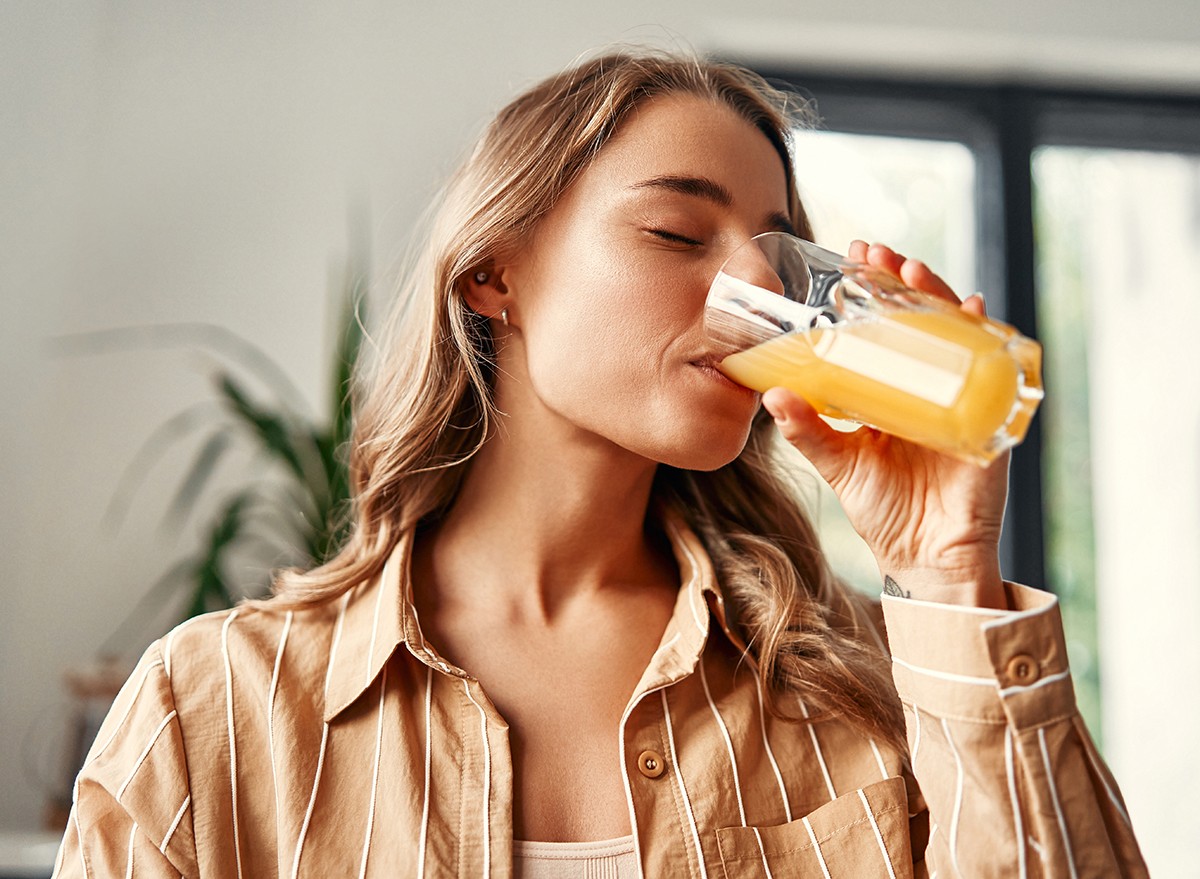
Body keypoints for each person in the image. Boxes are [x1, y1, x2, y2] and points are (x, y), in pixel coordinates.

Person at [53, 50, 1146, 878]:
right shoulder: (213, 715)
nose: (745, 293)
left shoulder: (872, 686)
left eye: (774, 250)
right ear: (493, 275)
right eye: (678, 234)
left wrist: (952, 569)